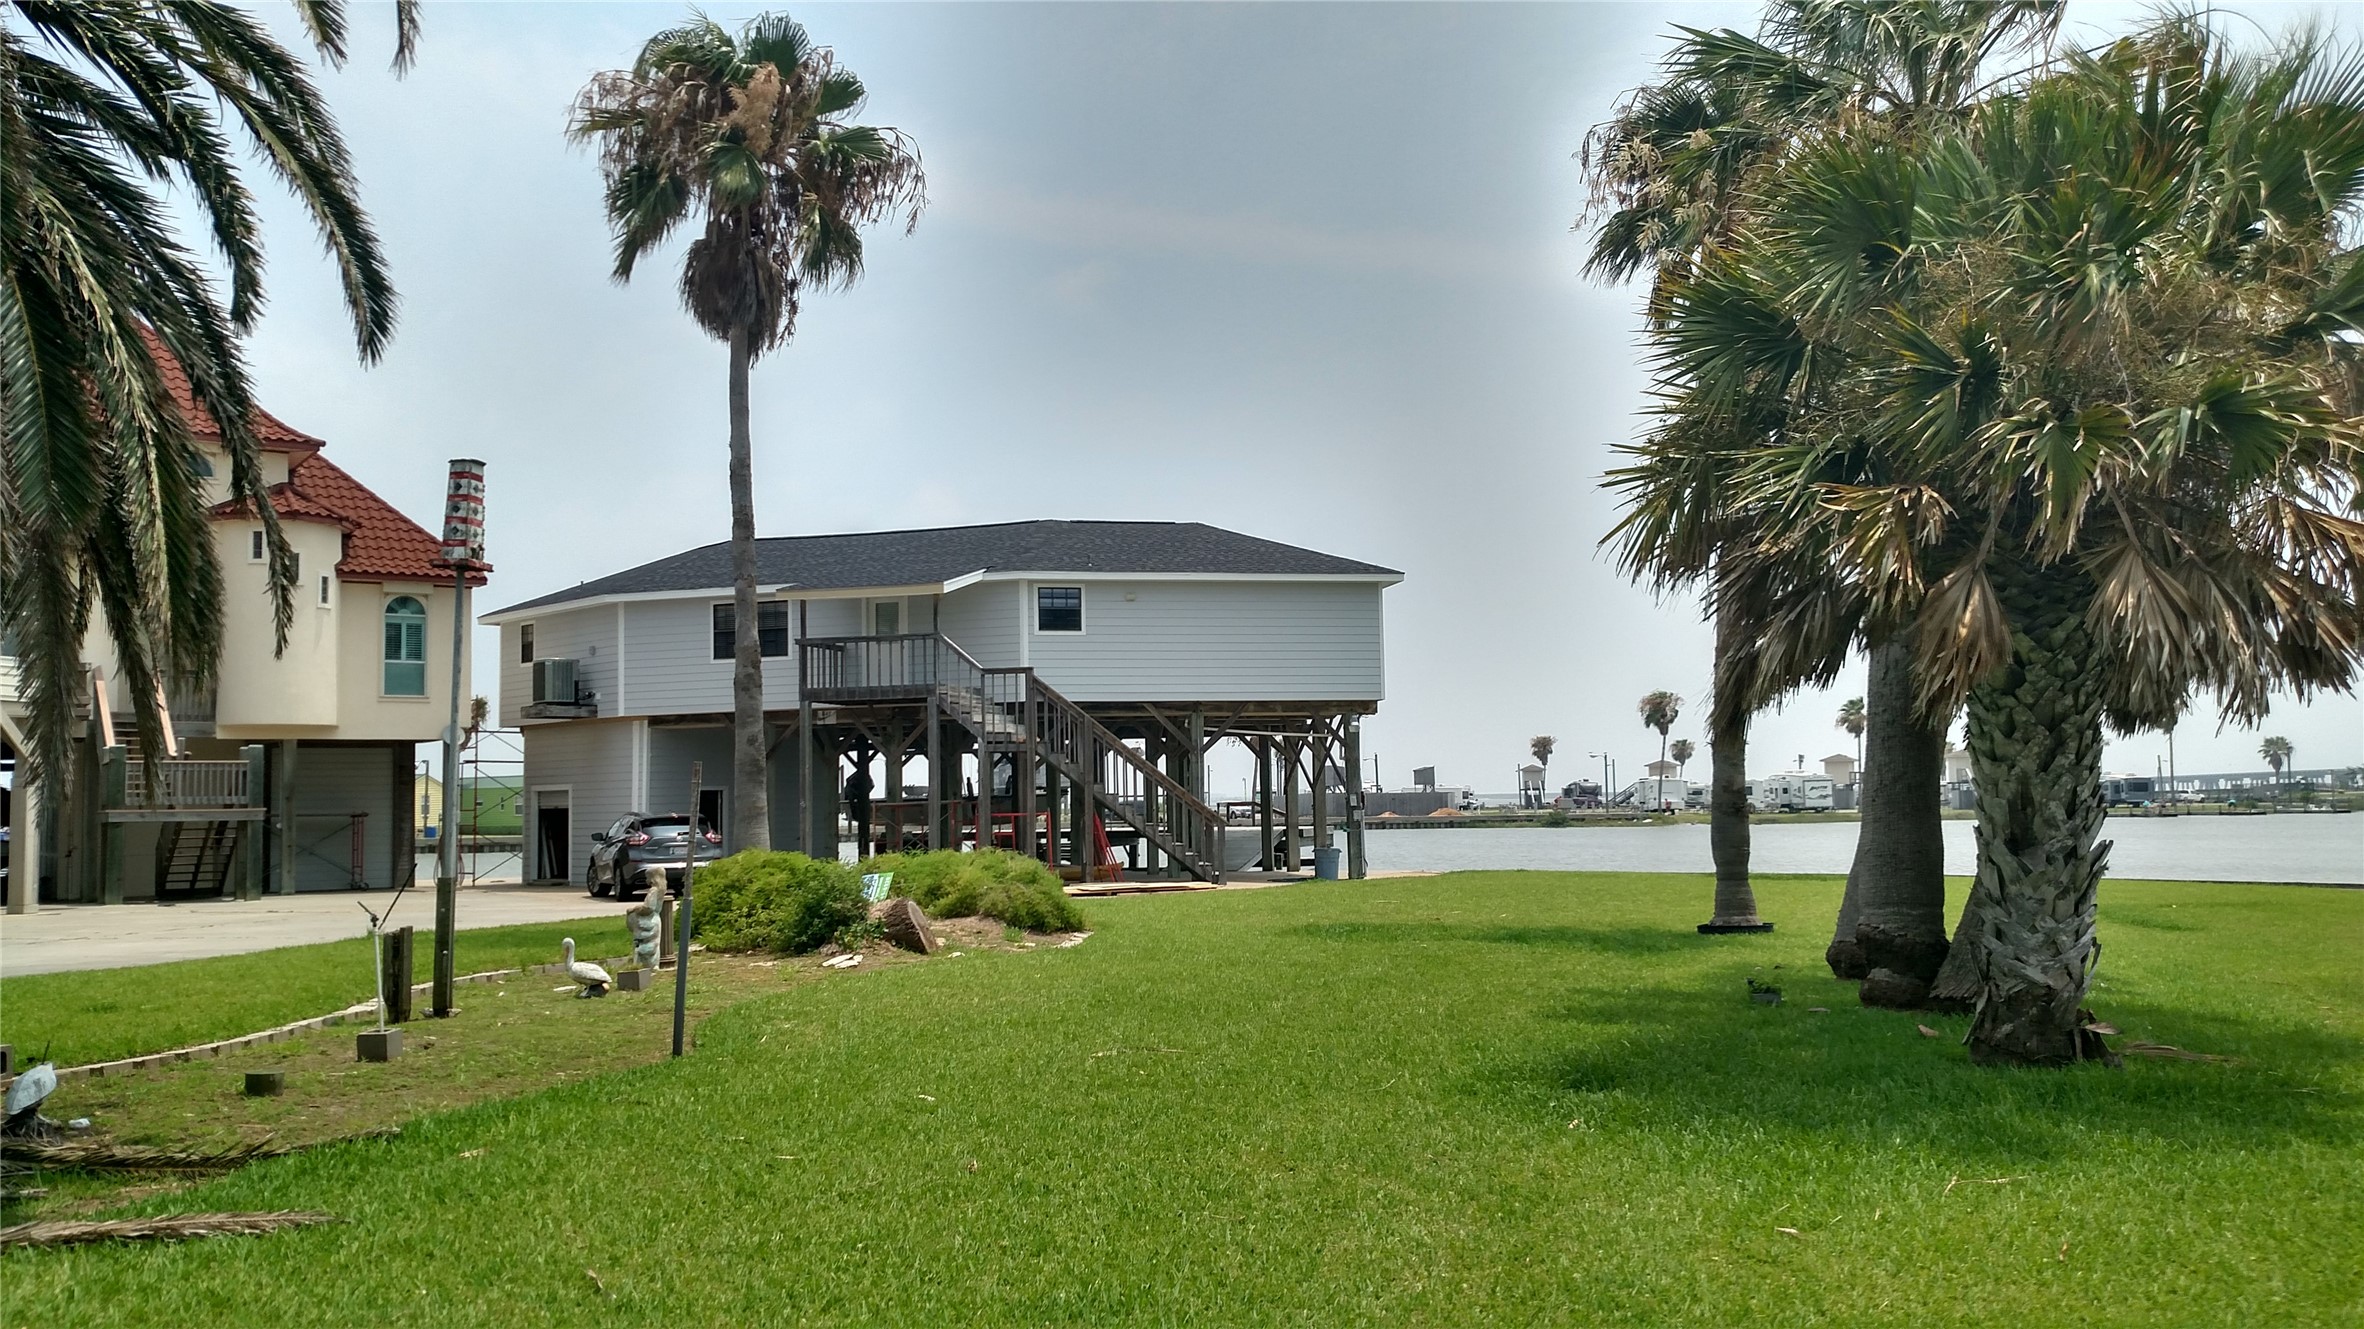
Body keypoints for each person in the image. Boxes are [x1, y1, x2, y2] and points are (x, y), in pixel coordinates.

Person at [844, 746, 875, 855]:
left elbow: (848, 793)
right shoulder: (854, 779)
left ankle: (863, 849)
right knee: (863, 829)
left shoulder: (853, 780)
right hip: (860, 802)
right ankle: (863, 849)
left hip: (860, 802)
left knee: (863, 830)